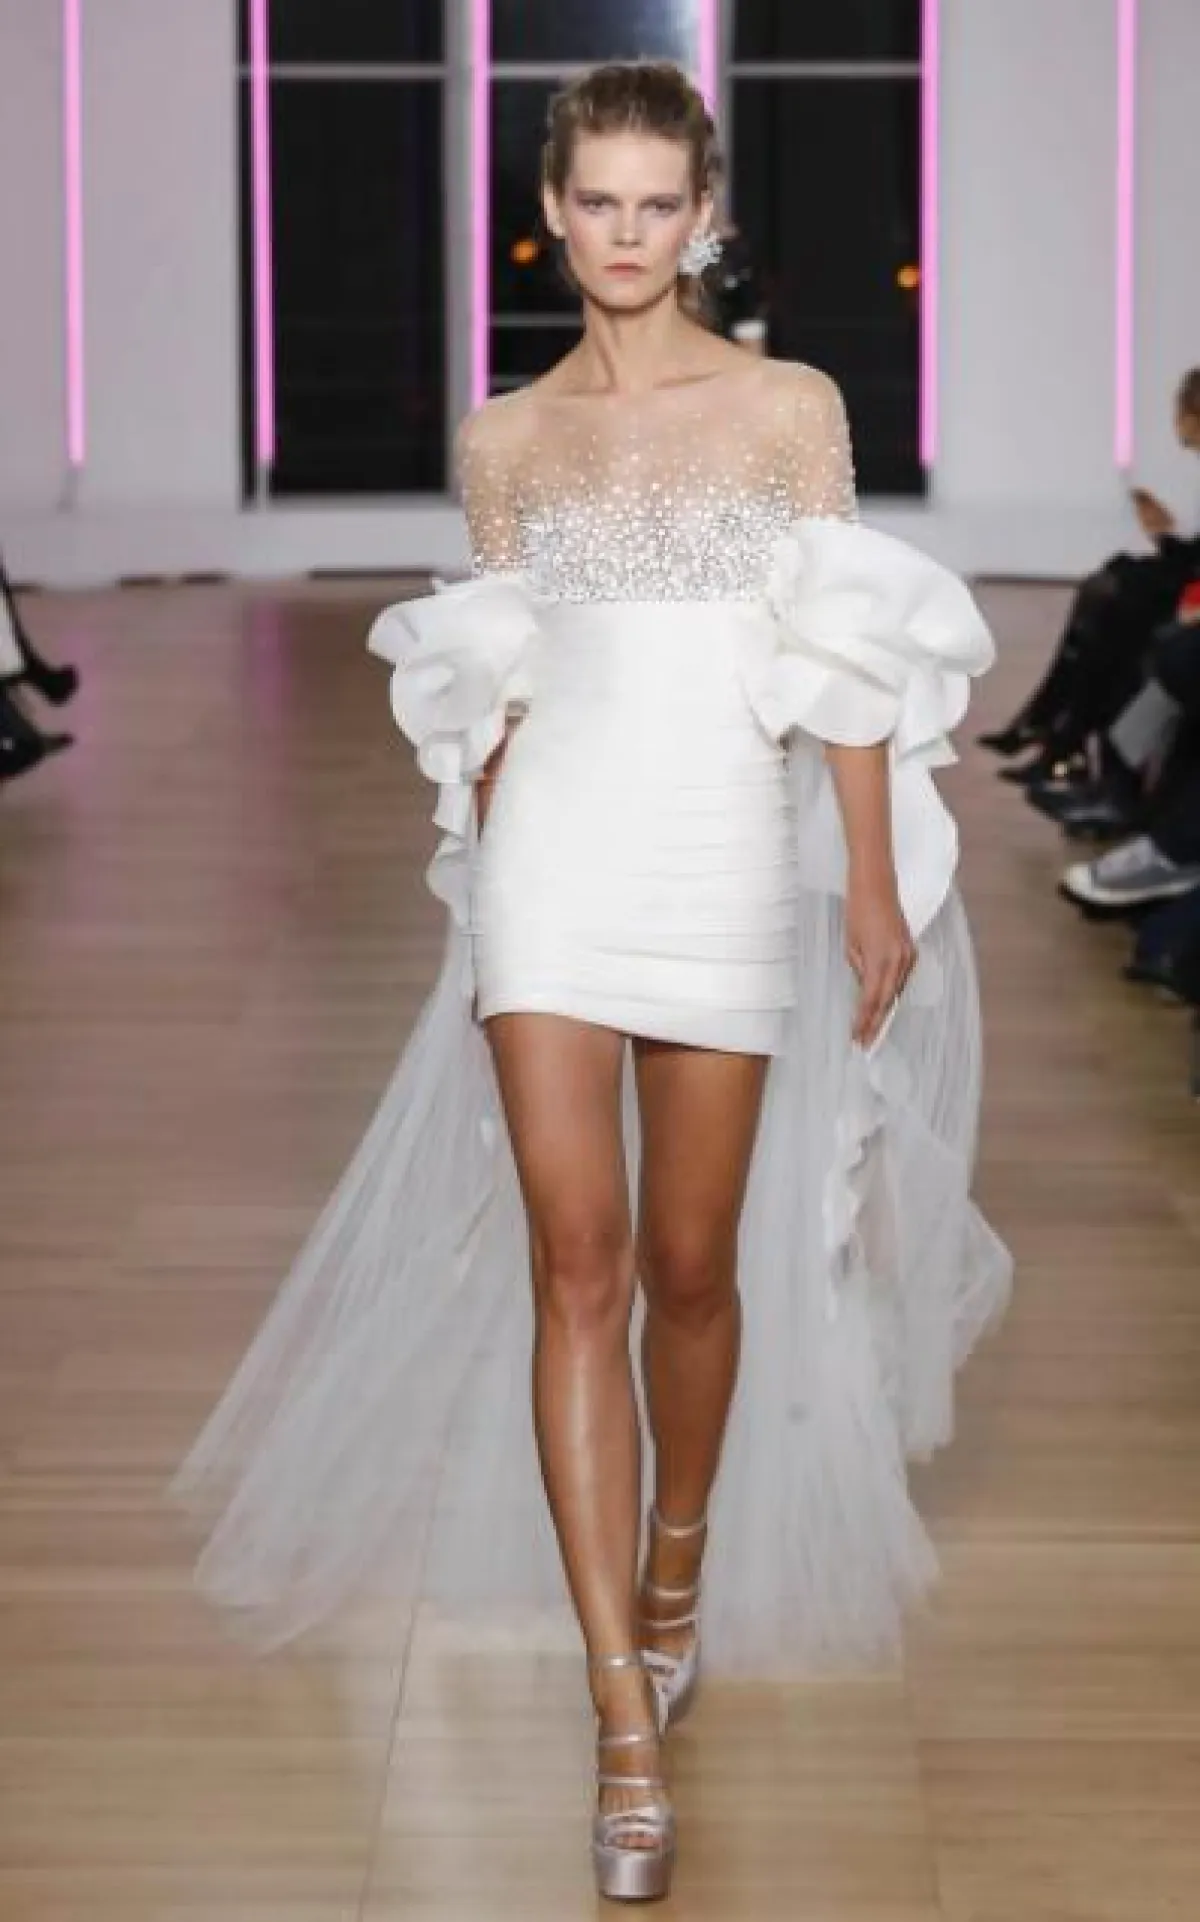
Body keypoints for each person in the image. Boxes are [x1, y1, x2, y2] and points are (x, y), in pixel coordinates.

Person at [170, 62, 1012, 1903]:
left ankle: (676, 1566)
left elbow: (841, 653)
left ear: (704, 214)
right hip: (552, 865)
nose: (627, 234)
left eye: (659, 203)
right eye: (598, 202)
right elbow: (497, 677)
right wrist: (481, 863)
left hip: (721, 854)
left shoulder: (789, 405)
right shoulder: (505, 440)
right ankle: (621, 1709)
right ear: (553, 209)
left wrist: (872, 880)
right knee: (581, 1264)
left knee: (695, 1270)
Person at [980, 368, 1200, 784]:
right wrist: (1164, 533)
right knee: (1106, 589)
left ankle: (1057, 732)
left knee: (1116, 604)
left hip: (1189, 590)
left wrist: (1163, 535)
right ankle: (1054, 730)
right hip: (1186, 581)